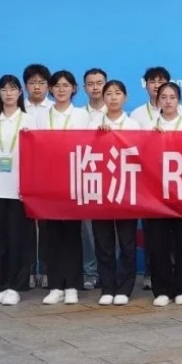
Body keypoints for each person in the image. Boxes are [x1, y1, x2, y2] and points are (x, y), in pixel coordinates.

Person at [0, 74, 35, 306]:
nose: (8, 93)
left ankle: (15, 286)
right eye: (4, 89)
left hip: (19, 189)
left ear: (20, 92)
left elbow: (36, 156)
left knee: (18, 238)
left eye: (12, 89)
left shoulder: (29, 120)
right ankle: (1, 285)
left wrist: (31, 186)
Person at [38, 71, 91, 305]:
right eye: (57, 86)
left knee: (72, 235)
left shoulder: (82, 116)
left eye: (66, 85)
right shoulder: (40, 116)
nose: (61, 89)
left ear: (74, 89)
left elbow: (90, 146)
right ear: (50, 89)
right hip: (48, 182)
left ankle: (72, 285)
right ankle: (55, 286)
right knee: (51, 235)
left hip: (73, 181)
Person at [145, 82, 182, 307]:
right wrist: (151, 138)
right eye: (163, 97)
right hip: (154, 192)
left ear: (179, 100)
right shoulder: (148, 125)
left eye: (172, 97)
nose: (168, 101)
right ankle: (161, 290)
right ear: (157, 100)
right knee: (158, 243)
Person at [93, 80, 145, 306]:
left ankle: (124, 287)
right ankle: (107, 287)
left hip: (126, 190)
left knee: (127, 242)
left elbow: (143, 154)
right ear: (103, 98)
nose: (113, 97)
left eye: (117, 93)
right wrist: (98, 136)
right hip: (100, 191)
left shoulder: (133, 124)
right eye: (109, 94)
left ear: (125, 97)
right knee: (103, 242)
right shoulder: (93, 123)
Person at [23, 63, 53, 289]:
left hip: (48, 175)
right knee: (25, 227)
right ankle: (28, 271)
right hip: (22, 173)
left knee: (47, 226)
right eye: (32, 82)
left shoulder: (54, 109)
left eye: (41, 82)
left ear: (48, 86)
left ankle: (46, 269)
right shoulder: (17, 109)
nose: (37, 87)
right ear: (25, 86)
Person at [80, 68, 108, 290]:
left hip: (113, 178)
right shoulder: (78, 115)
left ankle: (110, 271)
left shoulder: (118, 114)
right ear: (84, 88)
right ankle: (91, 272)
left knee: (113, 229)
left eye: (100, 83)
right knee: (87, 230)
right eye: (91, 83)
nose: (95, 87)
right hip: (86, 178)